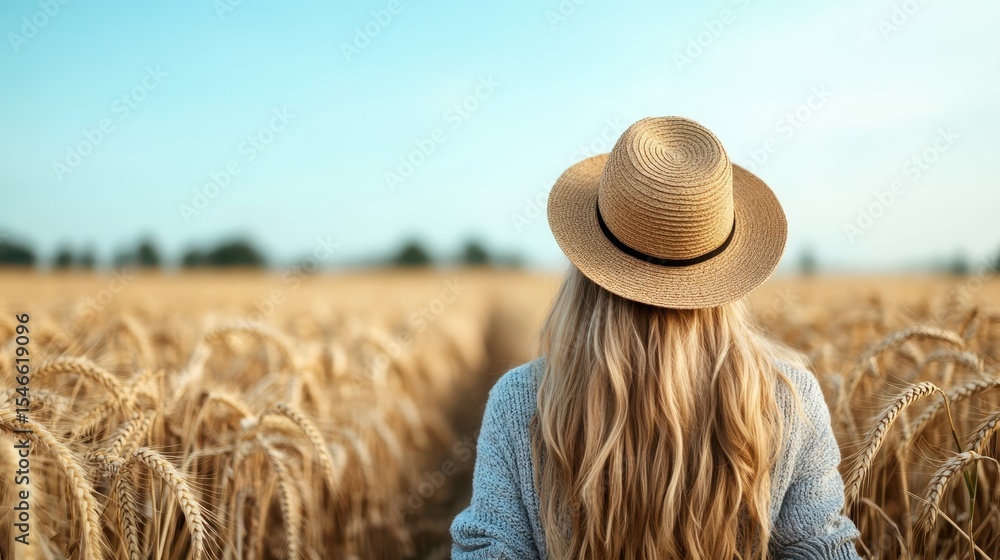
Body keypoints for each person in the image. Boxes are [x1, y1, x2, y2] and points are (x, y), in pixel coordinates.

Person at [450, 117, 862, 559]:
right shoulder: (790, 400)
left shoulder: (519, 403)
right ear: (724, 273)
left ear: (587, 265)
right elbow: (823, 549)